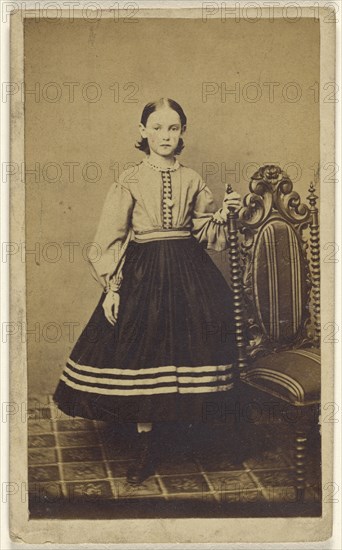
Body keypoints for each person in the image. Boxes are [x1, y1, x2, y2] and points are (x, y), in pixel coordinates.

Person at [53, 98, 242, 485]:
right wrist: (112, 288)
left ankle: (196, 437)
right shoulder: (130, 179)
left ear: (183, 133)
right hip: (144, 276)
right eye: (157, 128)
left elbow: (206, 234)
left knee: (197, 345)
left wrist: (223, 214)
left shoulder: (192, 179)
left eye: (173, 128)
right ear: (143, 131)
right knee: (145, 354)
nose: (165, 136)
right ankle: (146, 445)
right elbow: (110, 238)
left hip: (190, 274)